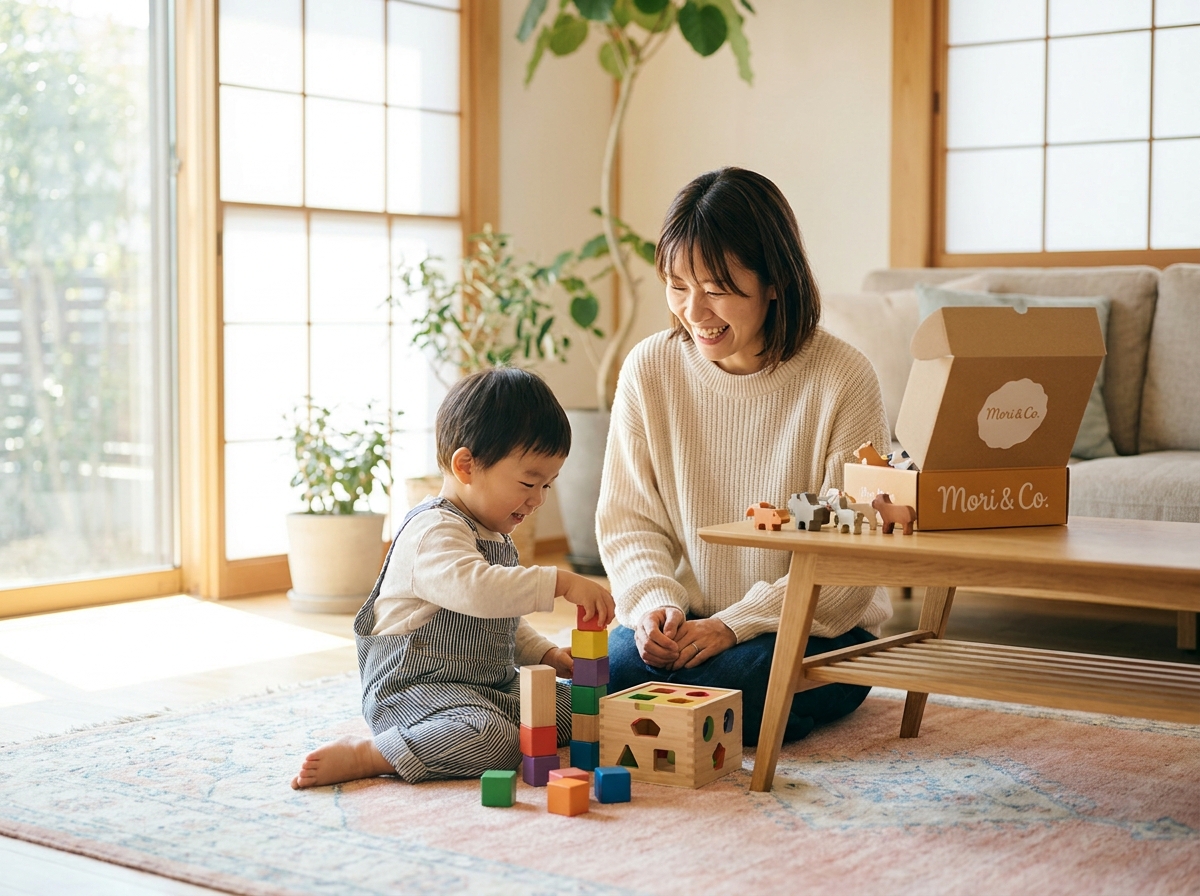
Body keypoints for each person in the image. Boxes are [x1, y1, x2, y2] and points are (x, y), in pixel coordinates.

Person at [597, 166, 892, 746]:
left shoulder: (844, 377)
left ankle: (749, 709)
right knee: (613, 669)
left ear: (774, 281)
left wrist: (735, 624)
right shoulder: (649, 370)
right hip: (688, 624)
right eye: (678, 286)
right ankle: (743, 713)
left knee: (746, 680)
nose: (694, 311)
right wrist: (655, 606)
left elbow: (856, 557)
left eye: (716, 289)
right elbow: (629, 523)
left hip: (812, 626)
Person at [292, 368, 615, 788]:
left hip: (489, 686)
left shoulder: (495, 534)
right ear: (466, 465)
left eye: (548, 486)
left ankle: (484, 719)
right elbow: (478, 591)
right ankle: (372, 753)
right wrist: (560, 581)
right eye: (528, 482)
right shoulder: (433, 532)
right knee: (495, 741)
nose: (537, 500)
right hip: (415, 691)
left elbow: (502, 619)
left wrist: (546, 655)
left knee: (587, 706)